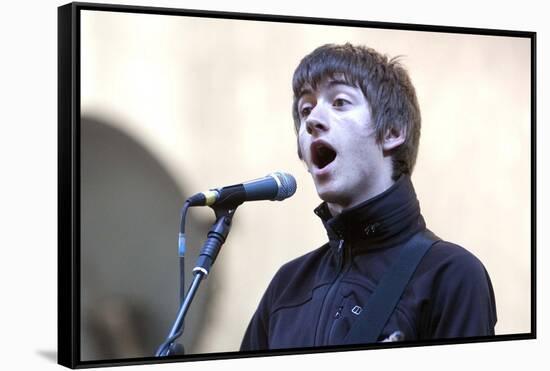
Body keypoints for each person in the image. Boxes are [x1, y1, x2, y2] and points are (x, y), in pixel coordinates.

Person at [240, 43, 497, 350]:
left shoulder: (450, 275)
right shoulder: (287, 288)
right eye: (305, 109)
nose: (312, 120)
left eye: (339, 102)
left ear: (391, 131)